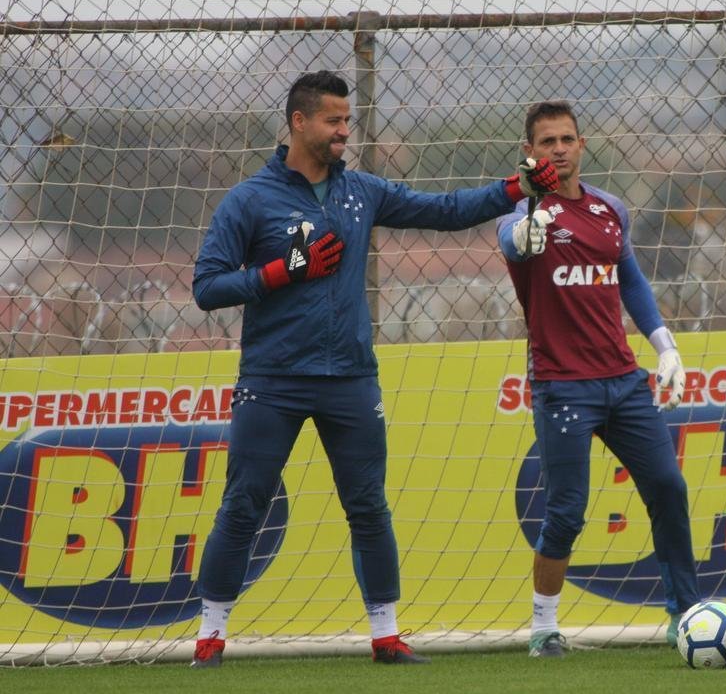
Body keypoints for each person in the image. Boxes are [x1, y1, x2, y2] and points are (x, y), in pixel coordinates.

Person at [190, 71, 558, 667]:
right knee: (244, 503)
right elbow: (207, 287)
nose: (344, 130)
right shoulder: (250, 200)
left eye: (347, 120)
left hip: (352, 379)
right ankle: (210, 637)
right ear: (299, 122)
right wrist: (282, 272)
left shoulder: (360, 190)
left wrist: (515, 188)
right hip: (273, 381)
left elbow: (445, 210)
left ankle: (386, 636)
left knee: (367, 504)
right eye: (334, 120)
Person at [496, 101, 700, 658]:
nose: (558, 149)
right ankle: (543, 628)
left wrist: (666, 347)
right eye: (546, 142)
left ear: (581, 145)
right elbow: (513, 242)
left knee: (668, 487)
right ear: (530, 153)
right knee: (566, 510)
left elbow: (629, 280)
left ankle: (686, 615)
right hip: (563, 385)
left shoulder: (610, 209)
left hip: (623, 380)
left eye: (566, 139)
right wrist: (529, 227)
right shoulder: (518, 217)